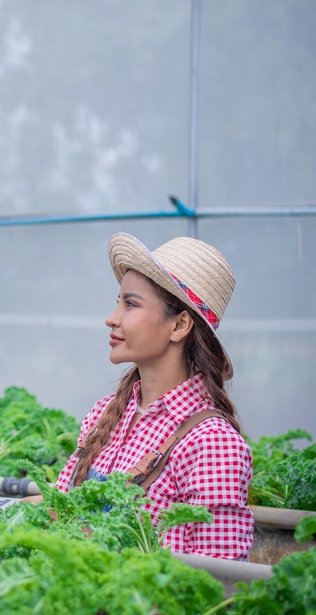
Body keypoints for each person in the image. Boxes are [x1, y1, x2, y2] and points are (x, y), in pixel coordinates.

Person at [27, 233, 254, 561]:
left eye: (130, 304)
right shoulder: (105, 413)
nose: (112, 317)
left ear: (179, 326)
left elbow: (215, 584)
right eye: (119, 301)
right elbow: (60, 510)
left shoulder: (213, 445)